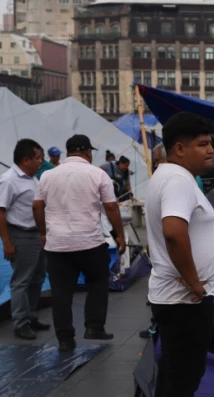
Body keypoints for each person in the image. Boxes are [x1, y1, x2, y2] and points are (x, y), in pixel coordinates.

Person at [145, 112, 214, 397]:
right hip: (185, 298)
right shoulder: (178, 180)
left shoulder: (170, 175)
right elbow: (175, 233)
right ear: (180, 148)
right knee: (183, 376)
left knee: (173, 373)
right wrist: (196, 283)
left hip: (178, 297)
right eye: (202, 144)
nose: (211, 151)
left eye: (210, 143)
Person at [33, 134, 126, 353]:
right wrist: (119, 234)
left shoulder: (47, 175)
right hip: (89, 242)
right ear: (86, 152)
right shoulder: (97, 174)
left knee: (61, 292)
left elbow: (37, 206)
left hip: (57, 245)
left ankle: (65, 339)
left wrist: (43, 232)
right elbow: (111, 207)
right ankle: (94, 327)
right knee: (98, 282)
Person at [0, 139, 50, 340]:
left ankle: (30, 316)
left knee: (37, 278)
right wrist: (7, 242)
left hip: (36, 234)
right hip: (21, 234)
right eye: (37, 158)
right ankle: (20, 322)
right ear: (26, 159)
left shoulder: (32, 178)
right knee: (21, 280)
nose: (41, 161)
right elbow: (0, 212)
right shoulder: (9, 180)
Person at [139, 144, 169, 340]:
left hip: (165, 250)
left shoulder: (167, 180)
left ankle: (157, 328)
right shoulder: (184, 178)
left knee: (163, 289)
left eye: (157, 161)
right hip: (163, 247)